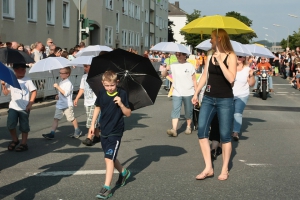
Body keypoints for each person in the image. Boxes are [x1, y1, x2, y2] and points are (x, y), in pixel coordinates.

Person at [192, 29, 237, 181]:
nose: (210, 42)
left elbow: (231, 79)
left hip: (225, 99)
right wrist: (196, 93)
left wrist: (220, 62)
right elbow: (205, 76)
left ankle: (224, 169)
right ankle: (208, 167)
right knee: (202, 132)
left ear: (219, 39)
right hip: (209, 98)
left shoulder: (231, 56)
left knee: (225, 136)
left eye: (211, 39)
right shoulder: (210, 55)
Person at [88, 71, 131, 199]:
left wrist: (121, 104)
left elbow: (128, 113)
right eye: (107, 85)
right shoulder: (101, 93)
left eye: (112, 85)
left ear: (117, 82)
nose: (109, 88)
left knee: (108, 158)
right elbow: (97, 108)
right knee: (109, 156)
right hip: (104, 129)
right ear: (103, 84)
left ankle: (106, 188)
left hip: (116, 131)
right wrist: (92, 125)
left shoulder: (122, 93)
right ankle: (124, 172)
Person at [1, 63, 37, 152]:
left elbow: (34, 91)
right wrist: (3, 85)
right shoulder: (11, 80)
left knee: (24, 126)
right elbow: (6, 93)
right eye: (21, 69)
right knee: (10, 125)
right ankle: (15, 139)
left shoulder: (27, 80)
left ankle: (24, 144)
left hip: (24, 107)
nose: (24, 71)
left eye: (24, 69)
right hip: (13, 106)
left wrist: (30, 104)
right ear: (15, 70)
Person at [161, 51, 197, 137]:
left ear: (185, 56)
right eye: (177, 55)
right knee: (175, 110)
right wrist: (165, 69)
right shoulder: (173, 65)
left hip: (189, 91)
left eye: (180, 55)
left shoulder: (190, 66)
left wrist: (196, 93)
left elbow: (194, 80)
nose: (178, 56)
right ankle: (174, 129)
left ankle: (188, 126)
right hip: (177, 91)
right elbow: (163, 75)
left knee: (188, 111)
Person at [42, 67, 82, 139]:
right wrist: (58, 96)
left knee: (71, 118)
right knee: (56, 118)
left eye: (62, 73)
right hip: (60, 104)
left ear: (67, 74)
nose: (60, 74)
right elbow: (61, 93)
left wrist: (57, 87)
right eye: (60, 73)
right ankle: (52, 133)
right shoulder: (61, 82)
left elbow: (65, 93)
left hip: (67, 105)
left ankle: (77, 130)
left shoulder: (68, 83)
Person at [74, 64, 101, 146]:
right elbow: (82, 89)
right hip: (87, 101)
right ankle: (97, 136)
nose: (85, 68)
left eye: (87, 66)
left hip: (95, 101)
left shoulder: (97, 76)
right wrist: (77, 98)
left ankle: (89, 138)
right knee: (93, 119)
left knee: (91, 120)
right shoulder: (84, 77)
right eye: (84, 66)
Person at [231, 56, 255, 141]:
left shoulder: (247, 70)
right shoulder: (230, 68)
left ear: (244, 59)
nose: (237, 58)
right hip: (229, 94)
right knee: (229, 113)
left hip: (242, 95)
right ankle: (227, 129)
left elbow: (251, 84)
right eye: (236, 56)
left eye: (240, 57)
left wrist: (251, 76)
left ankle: (235, 132)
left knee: (237, 113)